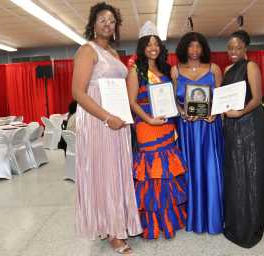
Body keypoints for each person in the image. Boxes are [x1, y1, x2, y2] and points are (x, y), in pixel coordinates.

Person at [72, 2, 142, 254]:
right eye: (102, 19)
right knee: (103, 172)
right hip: (98, 120)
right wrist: (106, 117)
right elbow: (78, 93)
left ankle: (113, 223)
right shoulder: (86, 50)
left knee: (115, 172)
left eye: (112, 20)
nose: (107, 23)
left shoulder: (113, 52)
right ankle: (113, 232)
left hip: (117, 120)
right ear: (93, 23)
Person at [126, 21, 187, 240]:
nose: (153, 48)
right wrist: (149, 120)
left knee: (167, 173)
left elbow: (171, 99)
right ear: (142, 47)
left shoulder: (164, 71)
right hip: (147, 127)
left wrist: (182, 111)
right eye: (149, 44)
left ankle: (169, 219)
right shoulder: (135, 71)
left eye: (156, 44)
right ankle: (151, 222)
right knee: (151, 174)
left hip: (166, 126)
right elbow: (132, 102)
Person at [221, 30, 264, 248]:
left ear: (245, 48)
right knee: (236, 169)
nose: (233, 51)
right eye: (230, 48)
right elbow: (223, 100)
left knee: (252, 169)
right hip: (232, 125)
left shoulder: (251, 67)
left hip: (250, 123)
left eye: (238, 47)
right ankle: (248, 212)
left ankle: (253, 217)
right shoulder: (227, 69)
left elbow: (257, 99)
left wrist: (240, 113)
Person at [171, 32, 225, 234]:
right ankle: (191, 216)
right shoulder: (175, 71)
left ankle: (212, 216)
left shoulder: (214, 69)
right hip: (187, 128)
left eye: (198, 46)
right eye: (190, 46)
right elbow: (173, 100)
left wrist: (215, 113)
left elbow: (220, 97)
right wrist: (182, 113)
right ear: (184, 48)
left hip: (209, 127)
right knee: (189, 168)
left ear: (203, 49)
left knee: (210, 168)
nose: (194, 50)